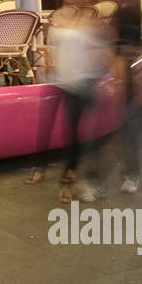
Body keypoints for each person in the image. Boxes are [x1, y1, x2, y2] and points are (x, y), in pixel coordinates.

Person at [29, 20, 114, 202]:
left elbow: (104, 56)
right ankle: (40, 166)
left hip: (80, 85)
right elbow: (51, 49)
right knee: (45, 125)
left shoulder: (91, 30)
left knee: (72, 133)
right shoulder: (61, 25)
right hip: (58, 81)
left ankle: (67, 178)